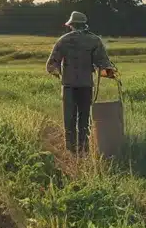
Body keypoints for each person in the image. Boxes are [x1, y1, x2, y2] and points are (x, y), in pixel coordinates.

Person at [46, 11, 115, 153]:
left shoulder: (63, 40)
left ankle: (70, 151)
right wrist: (112, 75)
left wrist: (59, 74)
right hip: (86, 86)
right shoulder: (94, 40)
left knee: (69, 119)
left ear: (71, 25)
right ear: (85, 24)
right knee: (84, 119)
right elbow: (102, 66)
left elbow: (51, 65)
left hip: (68, 86)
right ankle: (84, 149)